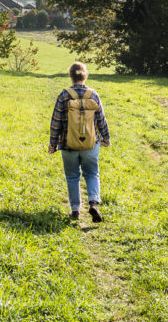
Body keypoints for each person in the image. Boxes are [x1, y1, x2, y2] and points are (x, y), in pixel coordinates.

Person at [48, 61, 110, 222]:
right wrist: (105, 138)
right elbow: (101, 119)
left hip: (68, 145)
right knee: (92, 173)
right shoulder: (93, 95)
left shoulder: (64, 95)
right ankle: (93, 202)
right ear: (85, 75)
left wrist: (53, 144)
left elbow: (56, 121)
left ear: (71, 76)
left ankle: (75, 210)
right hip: (91, 144)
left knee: (72, 177)